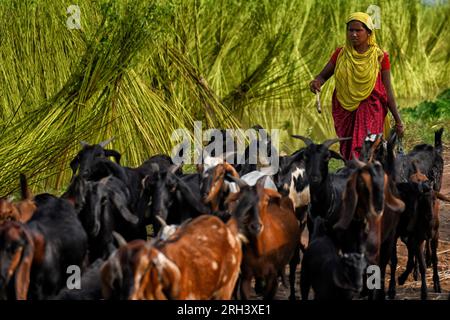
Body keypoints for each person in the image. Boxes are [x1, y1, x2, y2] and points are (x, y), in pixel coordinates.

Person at [309, 12, 404, 160]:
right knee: (349, 153)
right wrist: (316, 83)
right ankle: (356, 179)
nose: (353, 34)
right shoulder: (340, 54)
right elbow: (322, 77)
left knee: (365, 148)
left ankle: (368, 178)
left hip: (371, 107)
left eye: (358, 30)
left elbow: (388, 91)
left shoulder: (380, 57)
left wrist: (398, 121)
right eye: (350, 30)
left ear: (369, 33)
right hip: (345, 109)